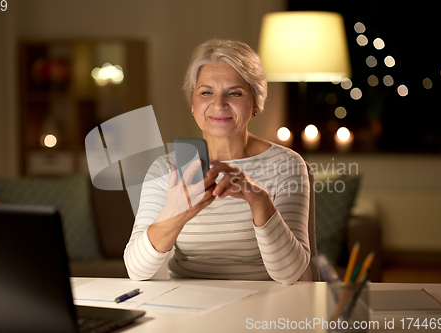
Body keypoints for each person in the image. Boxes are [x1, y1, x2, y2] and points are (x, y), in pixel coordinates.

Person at [124, 39, 311, 284]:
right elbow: (137, 272)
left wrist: (259, 200)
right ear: (193, 103)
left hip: (262, 304)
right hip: (186, 306)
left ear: (255, 103)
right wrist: (177, 210)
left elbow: (290, 274)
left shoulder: (286, 164)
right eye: (206, 92)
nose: (219, 104)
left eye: (234, 93)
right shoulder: (165, 169)